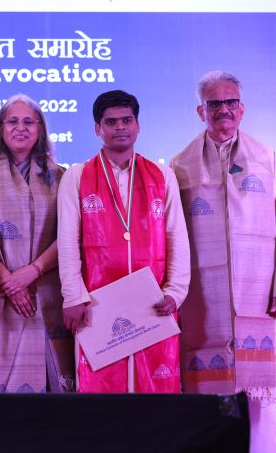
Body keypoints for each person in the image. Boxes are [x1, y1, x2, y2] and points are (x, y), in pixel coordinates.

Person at [170, 71, 276, 452]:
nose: (223, 110)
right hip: (204, 298)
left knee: (263, 393)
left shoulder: (265, 157)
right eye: (214, 104)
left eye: (231, 102)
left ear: (242, 109)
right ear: (201, 111)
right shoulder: (180, 165)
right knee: (209, 394)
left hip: (261, 295)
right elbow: (173, 233)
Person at [57, 90, 190, 393]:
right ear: (97, 128)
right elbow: (68, 242)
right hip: (97, 305)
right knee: (102, 392)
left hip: (154, 303)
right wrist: (73, 297)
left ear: (138, 125)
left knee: (155, 391)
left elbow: (176, 237)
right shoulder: (77, 177)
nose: (120, 127)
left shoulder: (162, 175)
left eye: (127, 120)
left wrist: (176, 291)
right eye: (111, 122)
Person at [0, 94, 74, 393]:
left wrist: (33, 271)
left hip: (48, 291)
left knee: (52, 382)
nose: (21, 128)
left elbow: (70, 235)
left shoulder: (62, 177)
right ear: (0, 129)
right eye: (13, 121)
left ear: (40, 129)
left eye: (29, 122)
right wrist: (9, 280)